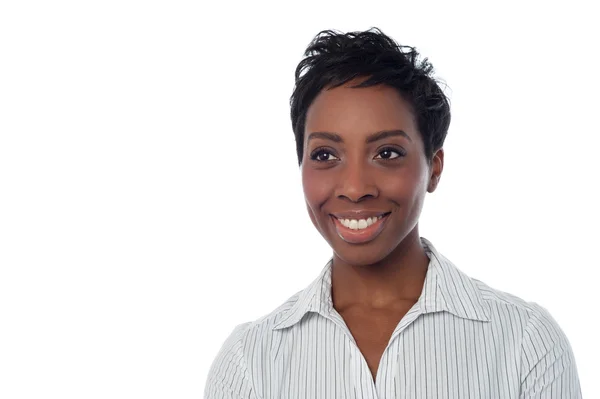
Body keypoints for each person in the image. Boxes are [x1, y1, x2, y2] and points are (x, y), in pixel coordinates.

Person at [203, 28, 582, 398]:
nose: (354, 187)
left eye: (387, 153)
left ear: (434, 167)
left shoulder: (526, 344)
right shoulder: (248, 363)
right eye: (325, 155)